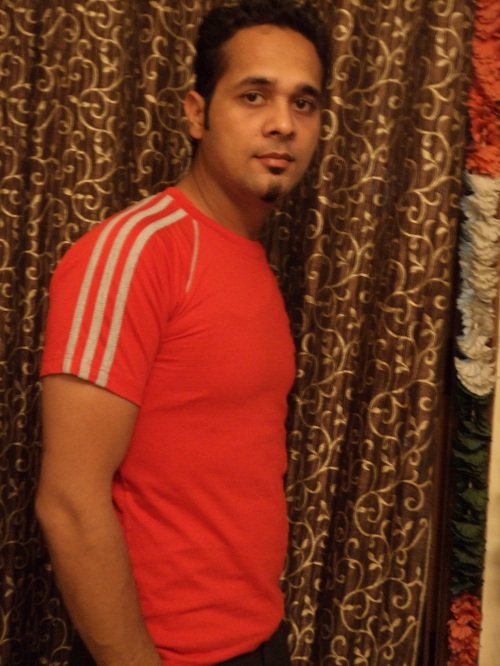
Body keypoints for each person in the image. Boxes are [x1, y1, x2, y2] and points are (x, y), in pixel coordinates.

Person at [35, 1, 329, 664]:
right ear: (197, 114)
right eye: (254, 95)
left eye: (304, 103)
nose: (283, 123)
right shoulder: (137, 253)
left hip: (259, 637)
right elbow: (69, 502)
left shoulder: (251, 262)